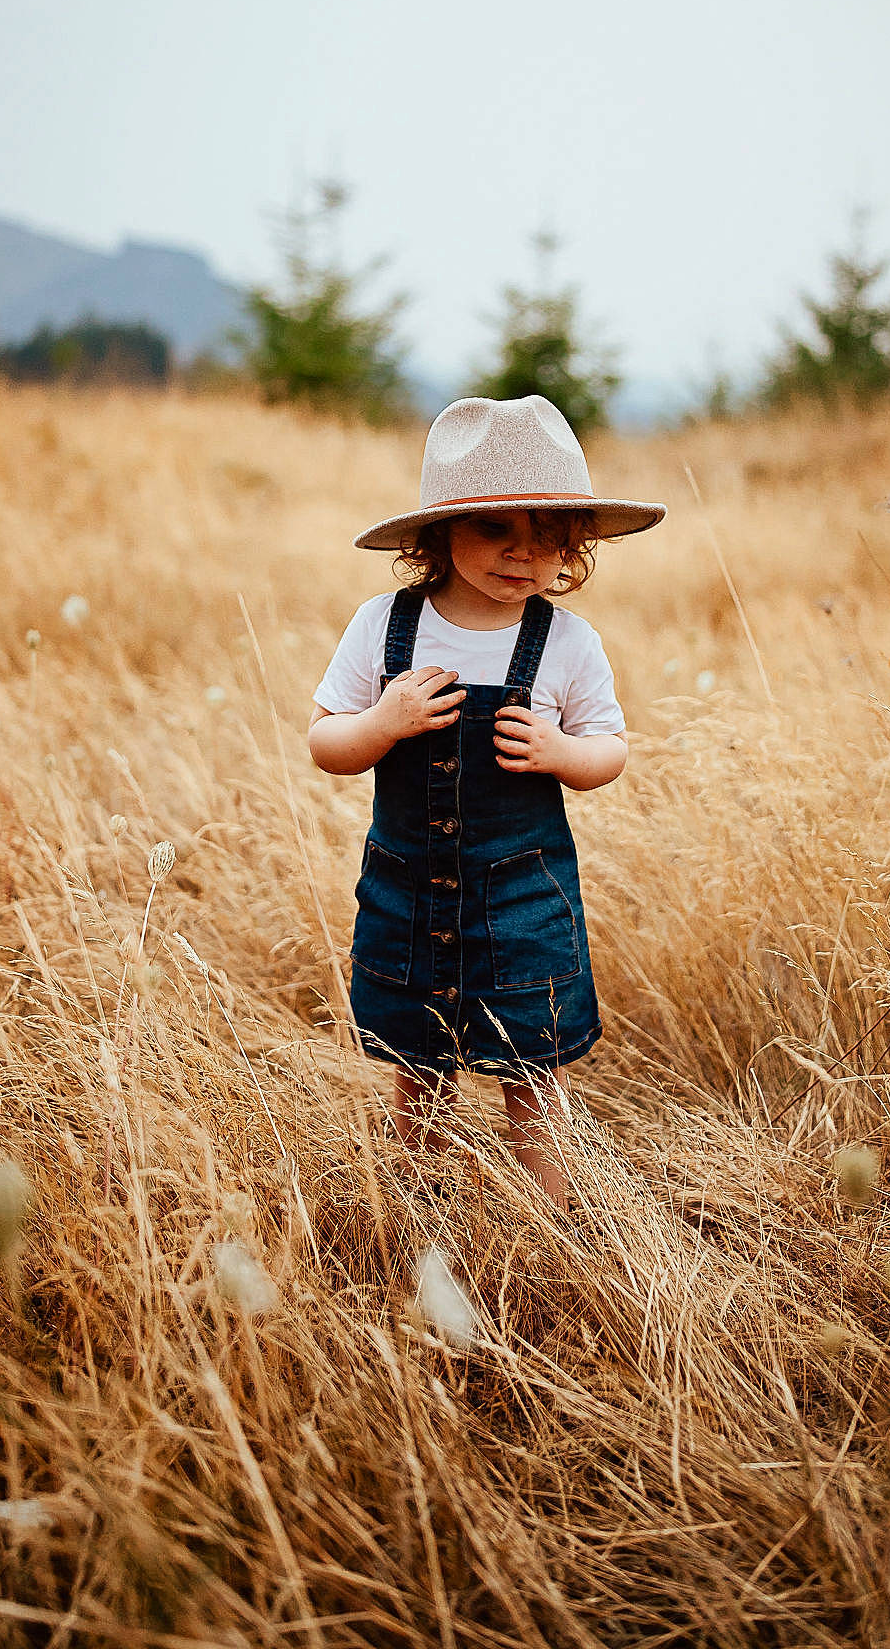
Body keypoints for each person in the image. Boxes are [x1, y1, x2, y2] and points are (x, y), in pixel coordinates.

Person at [308, 393, 665, 1211]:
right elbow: (325, 742)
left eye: (547, 536)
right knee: (418, 1068)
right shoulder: (384, 626)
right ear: (439, 534)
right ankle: (418, 1202)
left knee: (530, 1066)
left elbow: (609, 749)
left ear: (573, 546)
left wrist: (561, 754)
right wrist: (382, 722)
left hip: (521, 896)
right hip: (406, 891)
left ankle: (549, 1221)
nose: (522, 554)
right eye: (494, 529)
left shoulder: (567, 643)